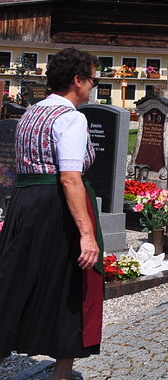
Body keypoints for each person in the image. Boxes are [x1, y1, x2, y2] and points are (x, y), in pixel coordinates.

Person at [0, 47, 102, 380]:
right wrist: (87, 234)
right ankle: (61, 373)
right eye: (92, 80)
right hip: (57, 206)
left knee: (14, 282)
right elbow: (70, 177)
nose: (93, 87)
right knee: (71, 286)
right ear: (77, 80)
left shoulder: (31, 112)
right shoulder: (71, 117)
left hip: (24, 202)